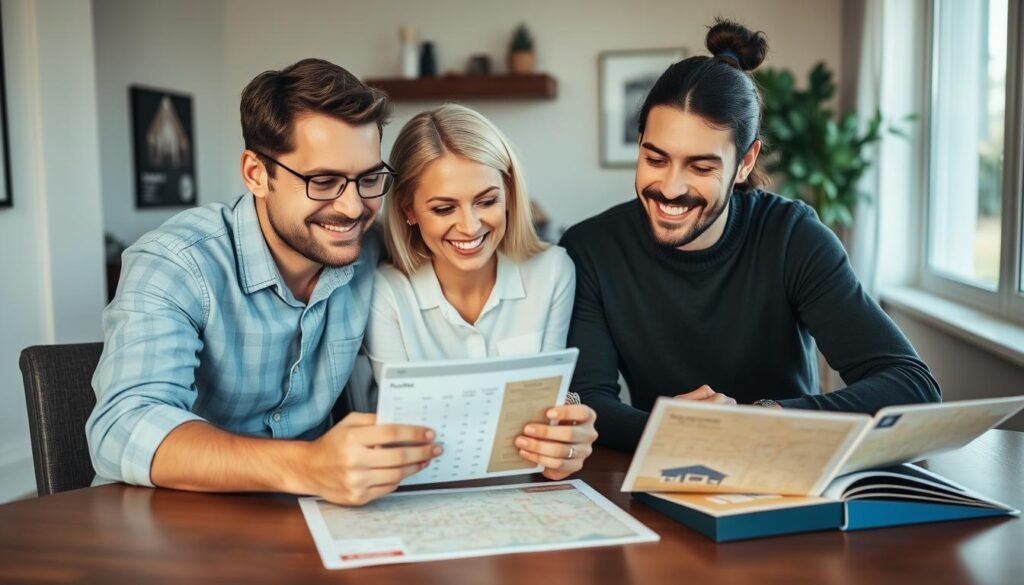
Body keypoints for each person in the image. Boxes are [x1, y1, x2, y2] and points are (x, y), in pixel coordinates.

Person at [559, 20, 941, 452]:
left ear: (745, 162)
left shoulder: (792, 237)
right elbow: (588, 403)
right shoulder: (590, 249)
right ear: (641, 141)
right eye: (655, 158)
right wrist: (675, 428)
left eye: (701, 167)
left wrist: (757, 419)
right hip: (664, 471)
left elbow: (912, 386)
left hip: (788, 465)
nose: (670, 187)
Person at [86, 59, 443, 506]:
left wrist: (560, 423)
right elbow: (122, 427)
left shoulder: (372, 249)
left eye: (369, 179)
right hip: (173, 519)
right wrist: (309, 465)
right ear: (257, 173)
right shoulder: (176, 263)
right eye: (324, 181)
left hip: (314, 518)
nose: (353, 208)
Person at [365, 104, 598, 479]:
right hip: (419, 491)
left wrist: (563, 439)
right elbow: (406, 434)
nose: (470, 226)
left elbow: (547, 412)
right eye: (443, 208)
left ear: (508, 193)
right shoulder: (387, 293)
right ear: (409, 210)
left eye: (487, 201)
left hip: (523, 490)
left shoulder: (553, 271)